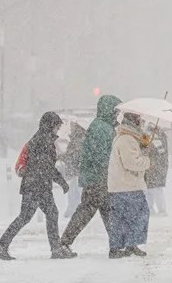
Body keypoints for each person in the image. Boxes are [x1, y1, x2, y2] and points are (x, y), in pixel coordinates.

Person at [0, 112, 74, 261]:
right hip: (38, 185)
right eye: (56, 126)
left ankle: (2, 246)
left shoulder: (40, 139)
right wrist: (61, 181)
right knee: (45, 214)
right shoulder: (44, 141)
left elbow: (44, 166)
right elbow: (47, 167)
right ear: (50, 125)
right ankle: (55, 249)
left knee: (31, 216)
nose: (57, 129)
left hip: (34, 184)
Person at [59, 95, 123, 254]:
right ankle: (64, 243)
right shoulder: (101, 128)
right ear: (109, 110)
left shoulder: (103, 126)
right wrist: (112, 167)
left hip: (97, 177)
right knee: (88, 211)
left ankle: (115, 247)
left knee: (106, 212)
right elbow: (101, 155)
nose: (117, 114)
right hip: (98, 178)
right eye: (115, 111)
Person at [107, 112, 152, 259]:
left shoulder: (124, 137)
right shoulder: (127, 139)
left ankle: (121, 246)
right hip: (128, 185)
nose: (142, 122)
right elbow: (131, 163)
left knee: (121, 219)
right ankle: (128, 244)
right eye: (140, 119)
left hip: (120, 186)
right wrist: (147, 161)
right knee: (138, 216)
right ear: (134, 121)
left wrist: (143, 146)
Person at [62, 122, 86, 218]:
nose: (70, 127)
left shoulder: (78, 139)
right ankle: (73, 210)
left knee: (76, 192)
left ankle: (74, 210)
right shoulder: (75, 139)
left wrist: (66, 156)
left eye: (72, 126)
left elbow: (75, 155)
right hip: (76, 171)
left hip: (77, 171)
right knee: (74, 191)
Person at [145, 127, 170, 216]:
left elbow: (161, 152)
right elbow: (143, 148)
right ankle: (150, 208)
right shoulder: (146, 135)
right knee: (148, 189)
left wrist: (153, 144)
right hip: (149, 167)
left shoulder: (160, 136)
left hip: (157, 168)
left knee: (156, 189)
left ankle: (161, 210)